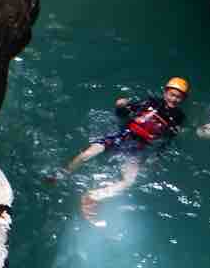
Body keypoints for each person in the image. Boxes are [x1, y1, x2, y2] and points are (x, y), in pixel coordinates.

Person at [58, 77, 189, 221]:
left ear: (183, 99)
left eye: (179, 97)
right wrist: (121, 106)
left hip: (138, 147)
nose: (174, 99)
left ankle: (93, 196)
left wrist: (156, 157)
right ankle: (63, 174)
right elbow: (123, 114)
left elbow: (167, 140)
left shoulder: (179, 117)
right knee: (87, 154)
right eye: (172, 94)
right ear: (165, 93)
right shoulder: (151, 102)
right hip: (123, 136)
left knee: (129, 182)